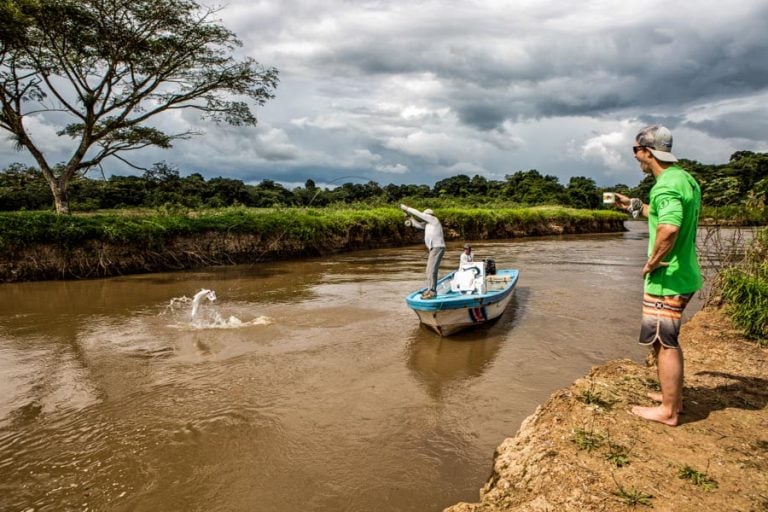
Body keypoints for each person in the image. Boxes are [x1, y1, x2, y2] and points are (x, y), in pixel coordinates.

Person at [613, 125, 702, 427]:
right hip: (685, 273)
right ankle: (672, 397)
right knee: (665, 339)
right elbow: (662, 214)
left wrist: (652, 262)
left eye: (635, 150)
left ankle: (668, 411)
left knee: (665, 342)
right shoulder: (684, 179)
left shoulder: (664, 185)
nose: (635, 156)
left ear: (647, 151)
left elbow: (669, 227)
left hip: (668, 277)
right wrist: (631, 205)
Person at [400, 204, 445, 299]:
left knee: (431, 270)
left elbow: (419, 214)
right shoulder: (428, 224)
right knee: (429, 270)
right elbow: (418, 225)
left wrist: (407, 208)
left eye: (426, 216)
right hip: (434, 248)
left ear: (430, 215)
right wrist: (410, 217)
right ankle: (430, 289)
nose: (425, 218)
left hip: (437, 247)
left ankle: (432, 291)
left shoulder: (434, 220)